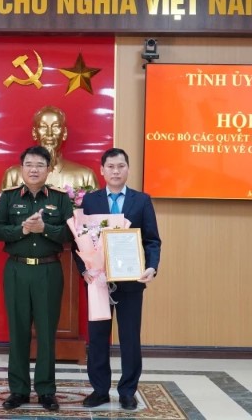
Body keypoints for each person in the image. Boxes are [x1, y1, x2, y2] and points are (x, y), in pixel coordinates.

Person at [74, 148, 161, 411]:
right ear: (102, 170)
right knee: (98, 337)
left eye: (121, 166)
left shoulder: (141, 200)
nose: (116, 171)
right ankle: (100, 390)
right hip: (98, 282)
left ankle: (127, 391)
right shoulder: (90, 201)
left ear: (128, 169)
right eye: (110, 166)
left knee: (130, 338)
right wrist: (84, 270)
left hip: (131, 281)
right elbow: (79, 239)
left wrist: (152, 267)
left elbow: (152, 240)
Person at [0, 145, 74, 412]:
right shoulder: (9, 197)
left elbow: (72, 233)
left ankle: (46, 391)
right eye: (29, 164)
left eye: (39, 165)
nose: (34, 170)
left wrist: (45, 228)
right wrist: (22, 230)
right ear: (21, 168)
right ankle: (18, 390)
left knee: (47, 332)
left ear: (48, 169)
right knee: (18, 331)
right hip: (17, 270)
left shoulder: (60, 199)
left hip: (48, 270)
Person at [0, 105, 99, 190]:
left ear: (64, 133)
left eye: (55, 127)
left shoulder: (85, 177)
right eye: (43, 127)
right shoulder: (14, 176)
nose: (49, 133)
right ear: (34, 133)